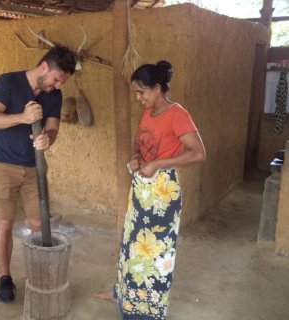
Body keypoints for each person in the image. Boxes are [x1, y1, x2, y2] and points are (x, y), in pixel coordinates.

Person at [94, 60, 206, 319]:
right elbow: (139, 142)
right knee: (131, 246)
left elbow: (199, 153)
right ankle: (121, 294)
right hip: (142, 189)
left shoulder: (178, 114)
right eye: (136, 92)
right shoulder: (149, 112)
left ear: (157, 88)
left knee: (154, 254)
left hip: (163, 194)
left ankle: (146, 311)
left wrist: (158, 163)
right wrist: (136, 157)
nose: (138, 98)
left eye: (141, 92)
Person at [0, 46, 77, 303]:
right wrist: (23, 117)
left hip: (34, 165)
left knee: (39, 222)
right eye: (57, 78)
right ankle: (5, 277)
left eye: (62, 81)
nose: (58, 84)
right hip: (1, 164)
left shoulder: (54, 95)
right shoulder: (7, 82)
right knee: (5, 223)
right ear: (44, 67)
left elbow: (53, 127)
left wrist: (48, 139)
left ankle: (38, 273)